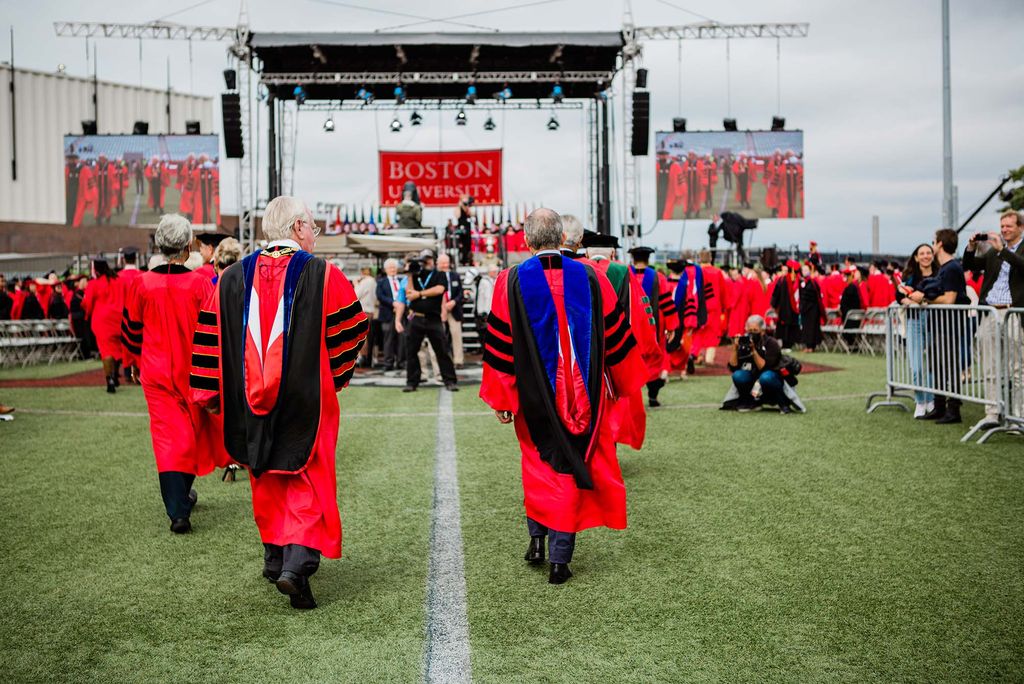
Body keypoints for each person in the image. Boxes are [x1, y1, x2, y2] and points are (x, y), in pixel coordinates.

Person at [189, 195, 368, 610]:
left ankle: (275, 557)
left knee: (266, 474)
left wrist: (213, 395)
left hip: (248, 402)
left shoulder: (231, 278)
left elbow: (210, 341)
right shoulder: (323, 274)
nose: (315, 237)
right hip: (308, 398)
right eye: (313, 229)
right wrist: (335, 376)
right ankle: (296, 566)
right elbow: (351, 331)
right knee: (306, 479)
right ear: (299, 227)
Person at [479, 208, 646, 584]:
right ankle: (560, 559)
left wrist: (503, 399)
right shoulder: (590, 275)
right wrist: (619, 383)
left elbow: (501, 345)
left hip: (532, 396)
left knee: (538, 465)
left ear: (527, 239)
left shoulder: (510, 281)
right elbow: (615, 336)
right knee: (570, 466)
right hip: (585, 393)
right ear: (561, 237)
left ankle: (538, 541)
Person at [121, 214, 228, 534]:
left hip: (154, 373)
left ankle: (179, 505)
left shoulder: (142, 283)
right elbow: (213, 332)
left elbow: (131, 332)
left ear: (159, 245)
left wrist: (133, 362)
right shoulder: (199, 284)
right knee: (192, 433)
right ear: (186, 246)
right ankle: (179, 503)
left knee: (168, 439)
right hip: (194, 372)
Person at [963, 209, 1024, 428]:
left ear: (1020, 227)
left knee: (1017, 367)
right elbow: (969, 266)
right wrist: (970, 247)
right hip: (990, 311)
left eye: (1009, 226)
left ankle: (1017, 416)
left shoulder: (1007, 250)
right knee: (989, 366)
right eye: (1002, 226)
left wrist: (1003, 251)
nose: (1004, 230)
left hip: (1014, 312)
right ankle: (992, 412)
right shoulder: (992, 253)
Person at [921, 228, 971, 425]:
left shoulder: (951, 268)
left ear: (940, 244)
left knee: (948, 367)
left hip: (948, 326)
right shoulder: (946, 267)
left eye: (934, 241)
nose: (933, 244)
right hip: (940, 324)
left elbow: (950, 299)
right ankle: (940, 406)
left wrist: (925, 298)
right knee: (937, 366)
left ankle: (953, 409)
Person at [628, 246, 679, 405]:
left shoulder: (624, 274)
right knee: (654, 363)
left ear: (633, 259)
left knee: (631, 363)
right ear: (648, 260)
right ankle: (652, 397)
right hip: (653, 328)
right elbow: (666, 303)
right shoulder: (658, 277)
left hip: (630, 327)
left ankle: (631, 399)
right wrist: (671, 327)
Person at [403, 250, 459, 392]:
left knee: (442, 350)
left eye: (428, 260)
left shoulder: (439, 275)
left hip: (433, 318)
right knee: (411, 351)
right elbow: (409, 295)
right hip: (417, 317)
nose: (426, 262)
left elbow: (440, 289)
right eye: (424, 260)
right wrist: (410, 274)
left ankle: (450, 380)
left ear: (433, 261)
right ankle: (412, 381)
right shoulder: (416, 274)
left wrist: (420, 294)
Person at [895, 243, 937, 418]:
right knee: (917, 366)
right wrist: (910, 302)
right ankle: (920, 400)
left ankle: (931, 399)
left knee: (934, 365)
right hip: (915, 322)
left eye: (929, 252)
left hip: (936, 322)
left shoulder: (939, 274)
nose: (926, 256)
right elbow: (898, 296)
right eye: (922, 253)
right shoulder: (910, 277)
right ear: (916, 257)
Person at [722, 315, 791, 413]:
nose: (752, 333)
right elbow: (733, 367)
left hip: (770, 379)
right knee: (738, 375)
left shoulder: (771, 343)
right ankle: (749, 401)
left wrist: (753, 351)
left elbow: (765, 368)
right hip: (753, 380)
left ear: (762, 331)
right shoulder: (744, 343)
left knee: (765, 377)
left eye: (755, 330)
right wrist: (735, 348)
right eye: (750, 330)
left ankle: (783, 402)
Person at [83, 259, 124, 393]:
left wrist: (87, 314)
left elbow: (87, 303)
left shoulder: (93, 284)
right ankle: (115, 374)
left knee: (106, 350)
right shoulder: (119, 281)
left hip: (102, 321)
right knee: (118, 349)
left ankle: (109, 379)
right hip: (119, 318)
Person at [435, 254, 465, 369]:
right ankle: (443, 360)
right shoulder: (435, 276)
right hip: (439, 309)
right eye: (441, 263)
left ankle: (458, 360)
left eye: (445, 262)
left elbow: (460, 293)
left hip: (454, 309)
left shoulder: (454, 275)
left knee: (456, 334)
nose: (444, 265)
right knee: (440, 335)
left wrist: (453, 302)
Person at [375, 258, 402, 370]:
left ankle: (401, 362)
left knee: (402, 339)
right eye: (390, 267)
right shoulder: (381, 282)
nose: (392, 269)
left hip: (401, 313)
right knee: (388, 340)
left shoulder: (402, 280)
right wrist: (393, 303)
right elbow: (380, 296)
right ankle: (388, 363)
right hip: (388, 314)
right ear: (386, 269)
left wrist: (400, 305)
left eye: (394, 267)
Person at [770, 260, 800, 349]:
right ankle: (790, 344)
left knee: (786, 327)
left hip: (784, 308)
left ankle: (786, 344)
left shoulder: (782, 280)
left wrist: (774, 304)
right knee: (789, 326)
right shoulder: (796, 280)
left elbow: (776, 294)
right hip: (791, 309)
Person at [798, 261, 826, 352]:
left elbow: (813, 296)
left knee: (812, 328)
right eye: (803, 270)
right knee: (807, 328)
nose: (805, 271)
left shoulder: (812, 282)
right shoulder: (804, 282)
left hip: (812, 309)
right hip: (807, 309)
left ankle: (811, 346)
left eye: (806, 270)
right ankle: (808, 346)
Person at [354, 266, 378, 368]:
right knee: (369, 335)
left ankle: (363, 357)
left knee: (361, 335)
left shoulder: (365, 281)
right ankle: (369, 358)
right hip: (371, 310)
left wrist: (356, 284)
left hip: (363, 310)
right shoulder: (374, 282)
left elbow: (356, 294)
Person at [475, 263, 499, 339]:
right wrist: (481, 310)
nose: (495, 273)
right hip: (486, 310)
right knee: (486, 332)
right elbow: (481, 297)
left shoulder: (498, 280)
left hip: (496, 310)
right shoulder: (484, 281)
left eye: (496, 271)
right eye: (493, 271)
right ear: (489, 272)